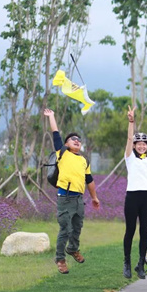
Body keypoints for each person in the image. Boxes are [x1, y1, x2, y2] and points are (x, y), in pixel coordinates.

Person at [43, 108, 101, 275]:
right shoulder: (62, 153)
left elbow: (89, 180)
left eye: (79, 140)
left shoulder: (84, 160)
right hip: (65, 197)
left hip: (78, 199)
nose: (76, 141)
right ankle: (60, 259)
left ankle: (72, 249)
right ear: (66, 144)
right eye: (72, 139)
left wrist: (94, 198)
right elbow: (55, 133)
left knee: (77, 227)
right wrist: (52, 116)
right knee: (65, 229)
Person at [122, 105, 147, 279]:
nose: (141, 146)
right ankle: (127, 263)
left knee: (144, 230)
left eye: (143, 144)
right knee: (130, 230)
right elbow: (129, 138)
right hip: (132, 196)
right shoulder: (129, 158)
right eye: (138, 144)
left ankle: (141, 263)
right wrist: (131, 121)